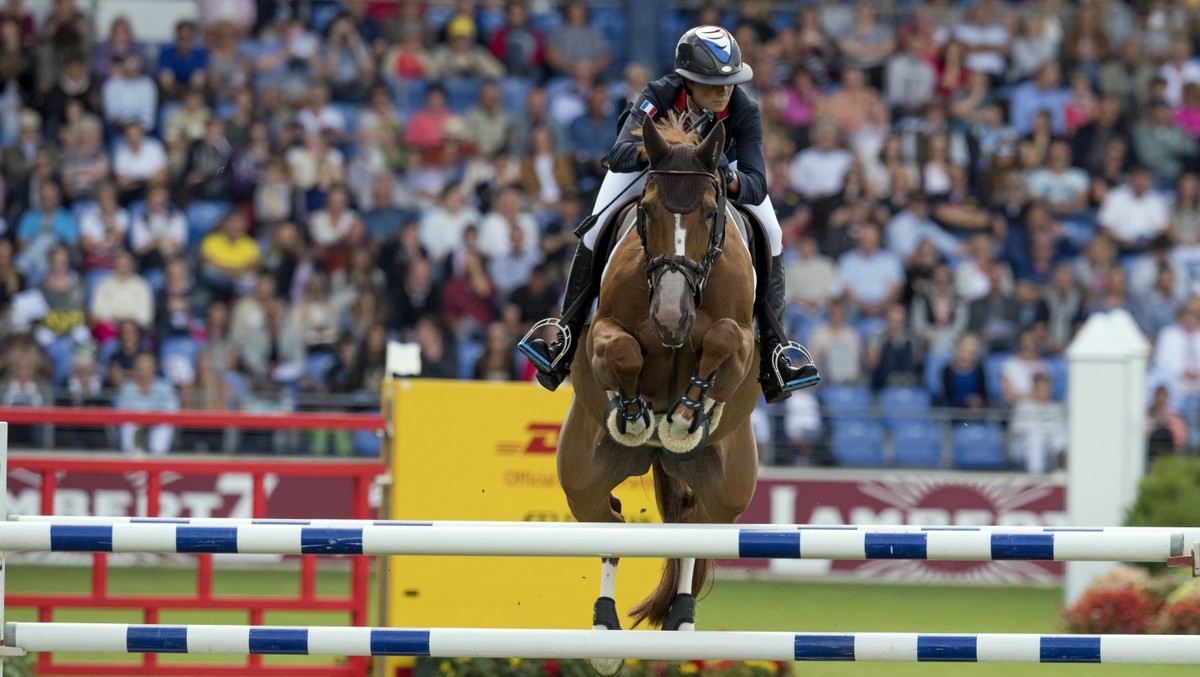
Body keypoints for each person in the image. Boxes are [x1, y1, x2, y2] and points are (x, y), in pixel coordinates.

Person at [518, 26, 820, 402]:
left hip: (717, 178)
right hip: (656, 171)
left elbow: (757, 182)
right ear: (687, 80)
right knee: (596, 226)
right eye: (712, 82)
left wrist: (723, 175)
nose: (724, 91)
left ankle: (775, 352)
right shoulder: (658, 95)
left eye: (729, 82)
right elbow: (619, 154)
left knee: (773, 234)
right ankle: (564, 338)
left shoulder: (745, 110)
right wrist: (662, 154)